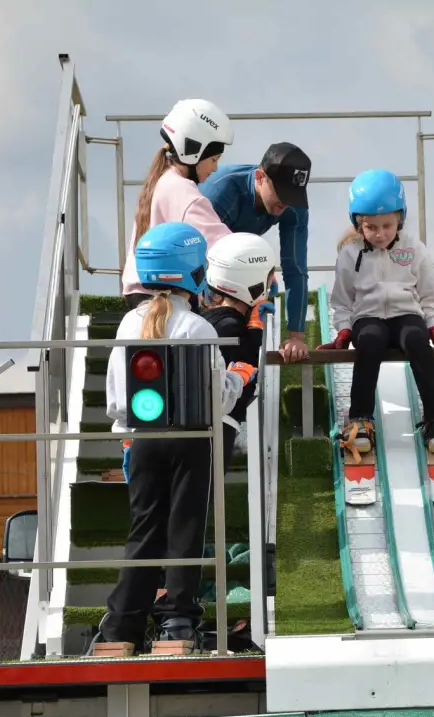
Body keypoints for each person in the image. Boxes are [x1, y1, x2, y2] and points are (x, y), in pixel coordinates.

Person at [97, 221, 259, 654]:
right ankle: (178, 625)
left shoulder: (129, 323)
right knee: (185, 527)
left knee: (144, 530)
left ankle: (119, 629)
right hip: (193, 442)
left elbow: (116, 400)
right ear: (194, 273)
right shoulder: (199, 328)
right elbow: (218, 399)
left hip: (142, 440)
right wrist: (241, 376)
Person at [322, 169, 434, 458]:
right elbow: (342, 301)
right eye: (371, 227)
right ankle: (360, 420)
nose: (380, 234)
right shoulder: (350, 254)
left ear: (400, 218)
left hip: (406, 314)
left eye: (387, 225)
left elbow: (428, 294)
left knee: (416, 339)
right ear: (358, 223)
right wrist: (344, 328)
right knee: (370, 341)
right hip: (368, 317)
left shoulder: (414, 247)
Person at [198, 143, 313, 363]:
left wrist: (295, 337)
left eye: (294, 196)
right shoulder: (223, 191)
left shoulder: (293, 205)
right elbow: (198, 258)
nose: (287, 202)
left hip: (235, 265)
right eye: (282, 193)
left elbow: (295, 268)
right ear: (260, 176)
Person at [120, 99, 235, 312]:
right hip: (166, 301)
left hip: (141, 297)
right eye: (214, 159)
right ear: (194, 151)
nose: (215, 168)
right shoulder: (184, 193)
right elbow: (226, 250)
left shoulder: (161, 179)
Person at [199, 232, 279, 469]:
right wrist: (255, 332)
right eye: (268, 276)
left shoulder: (210, 320)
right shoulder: (230, 327)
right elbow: (245, 377)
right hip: (218, 428)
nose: (272, 282)